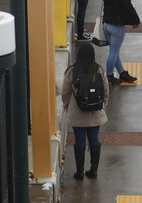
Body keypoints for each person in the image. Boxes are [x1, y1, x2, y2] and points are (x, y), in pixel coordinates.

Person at [61, 41, 109, 180]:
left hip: (78, 113)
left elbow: (65, 92)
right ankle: (94, 171)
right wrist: (102, 106)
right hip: (95, 112)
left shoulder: (72, 71)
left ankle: (80, 172)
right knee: (94, 139)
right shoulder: (98, 70)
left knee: (80, 140)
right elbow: (105, 91)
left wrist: (67, 106)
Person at [101, 0, 140, 84]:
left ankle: (122, 73)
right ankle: (109, 75)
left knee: (114, 51)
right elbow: (129, 8)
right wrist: (135, 20)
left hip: (106, 25)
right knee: (113, 52)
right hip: (117, 27)